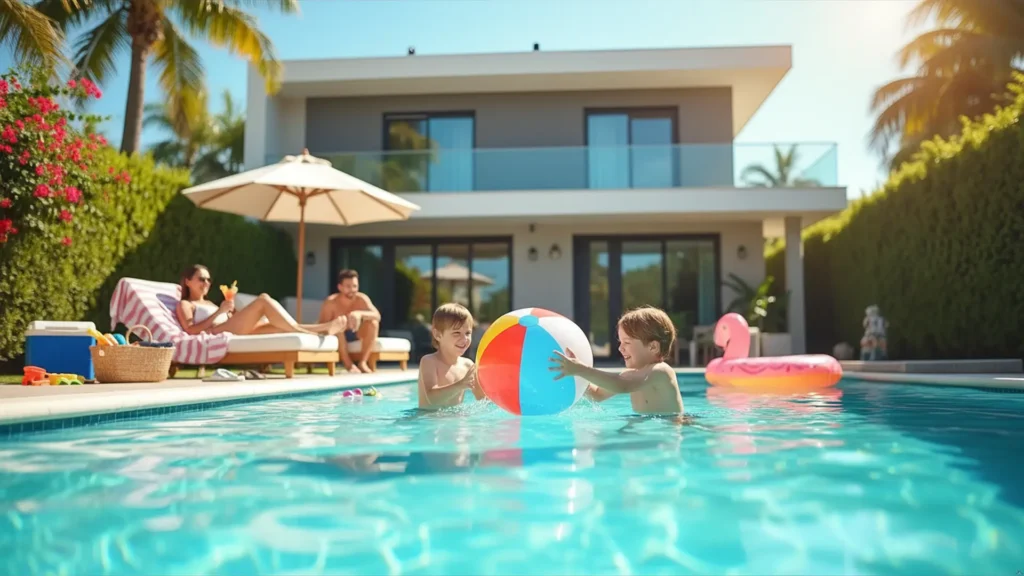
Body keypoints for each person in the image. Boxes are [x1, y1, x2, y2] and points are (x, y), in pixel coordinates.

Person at [549, 306, 684, 416]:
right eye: (620, 342)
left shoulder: (661, 372)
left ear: (653, 346)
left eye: (627, 342)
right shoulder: (630, 374)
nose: (620, 348)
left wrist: (581, 369)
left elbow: (622, 386)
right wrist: (574, 374)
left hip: (668, 429)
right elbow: (597, 395)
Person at [175, 264, 346, 337]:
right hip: (216, 333)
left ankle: (322, 328)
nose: (206, 283)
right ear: (188, 281)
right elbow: (190, 330)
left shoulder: (210, 304)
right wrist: (220, 312)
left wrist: (231, 311)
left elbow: (231, 320)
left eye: (208, 280)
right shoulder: (186, 304)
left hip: (231, 327)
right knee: (263, 299)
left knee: (279, 326)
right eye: (201, 279)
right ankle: (310, 332)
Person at [417, 303, 486, 410]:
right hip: (428, 420)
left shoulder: (468, 365)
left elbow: (483, 400)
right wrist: (461, 384)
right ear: (437, 335)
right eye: (456, 333)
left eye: (467, 333)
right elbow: (432, 399)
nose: (464, 339)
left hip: (455, 422)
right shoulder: (429, 361)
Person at [318, 269, 381, 374]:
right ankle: (349, 365)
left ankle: (363, 363)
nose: (352, 289)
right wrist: (340, 323)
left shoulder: (362, 299)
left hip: (357, 333)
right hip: (339, 335)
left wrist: (359, 314)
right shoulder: (331, 302)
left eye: (355, 286)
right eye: (348, 286)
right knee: (338, 328)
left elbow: (377, 315)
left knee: (374, 323)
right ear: (340, 287)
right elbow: (322, 325)